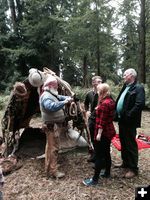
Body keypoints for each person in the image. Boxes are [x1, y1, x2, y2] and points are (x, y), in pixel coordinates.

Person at [39, 75, 72, 179]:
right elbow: (50, 107)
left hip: (53, 126)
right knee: (53, 149)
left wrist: (68, 98)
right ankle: (53, 171)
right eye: (55, 85)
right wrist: (64, 102)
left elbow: (60, 97)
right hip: (51, 126)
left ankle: (50, 169)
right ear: (50, 86)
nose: (57, 87)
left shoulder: (52, 94)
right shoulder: (46, 96)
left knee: (51, 148)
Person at [83, 83, 116, 186]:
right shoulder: (109, 101)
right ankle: (107, 173)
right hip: (108, 131)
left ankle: (95, 180)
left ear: (102, 92)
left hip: (103, 133)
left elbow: (102, 121)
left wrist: (99, 134)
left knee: (99, 155)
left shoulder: (105, 103)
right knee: (106, 153)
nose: (97, 92)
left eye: (98, 90)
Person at [115, 68, 145, 178]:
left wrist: (128, 115)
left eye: (125, 75)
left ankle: (133, 169)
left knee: (131, 144)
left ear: (131, 76)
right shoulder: (126, 87)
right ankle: (126, 163)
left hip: (130, 121)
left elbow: (139, 104)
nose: (123, 77)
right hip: (122, 120)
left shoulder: (138, 88)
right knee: (123, 142)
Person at [84, 76, 102, 162]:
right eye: (98, 82)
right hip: (91, 119)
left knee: (99, 138)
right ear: (93, 83)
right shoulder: (89, 94)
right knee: (91, 137)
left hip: (101, 119)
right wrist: (87, 111)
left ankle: (100, 158)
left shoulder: (104, 93)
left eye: (101, 82)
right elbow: (86, 103)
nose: (100, 83)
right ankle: (94, 155)